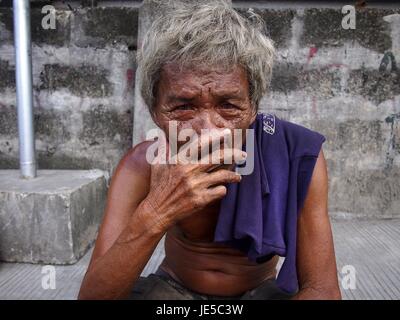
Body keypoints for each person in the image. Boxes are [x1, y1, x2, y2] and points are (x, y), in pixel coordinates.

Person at [78, 1, 341, 300]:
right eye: (184, 107)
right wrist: (156, 211)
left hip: (260, 292)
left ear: (253, 107)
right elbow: (93, 296)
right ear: (154, 111)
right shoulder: (143, 165)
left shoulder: (296, 156)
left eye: (228, 106)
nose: (208, 129)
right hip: (171, 290)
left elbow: (324, 291)